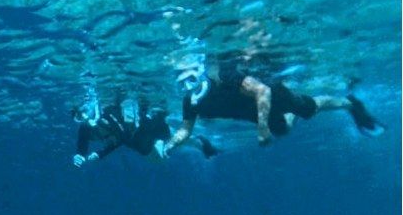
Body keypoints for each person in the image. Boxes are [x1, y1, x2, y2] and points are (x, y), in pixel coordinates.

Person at [156, 60, 385, 157]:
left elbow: (262, 91)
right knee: (284, 129)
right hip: (251, 112)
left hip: (273, 95)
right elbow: (185, 130)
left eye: (190, 76)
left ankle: (350, 104)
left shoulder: (224, 77)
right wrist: (170, 145)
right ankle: (287, 117)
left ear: (199, 71)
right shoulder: (190, 101)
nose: (188, 83)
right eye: (182, 79)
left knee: (311, 108)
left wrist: (263, 128)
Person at [72, 93, 218, 167]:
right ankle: (197, 142)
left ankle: (197, 142)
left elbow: (120, 137)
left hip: (144, 128)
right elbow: (82, 144)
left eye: (85, 111)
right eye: (79, 116)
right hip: (134, 139)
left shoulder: (108, 112)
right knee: (159, 158)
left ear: (92, 106)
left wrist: (100, 154)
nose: (84, 116)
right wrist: (80, 155)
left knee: (162, 153)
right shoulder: (85, 128)